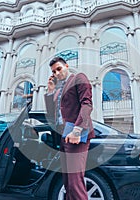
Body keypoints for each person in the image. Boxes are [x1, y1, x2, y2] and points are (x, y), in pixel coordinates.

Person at [44, 56, 95, 200]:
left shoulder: (78, 78)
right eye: (54, 72)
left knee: (75, 183)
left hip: (76, 136)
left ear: (66, 66)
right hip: (63, 137)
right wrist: (50, 91)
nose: (56, 74)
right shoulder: (59, 90)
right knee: (67, 183)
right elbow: (51, 114)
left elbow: (87, 104)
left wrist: (77, 130)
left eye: (59, 69)